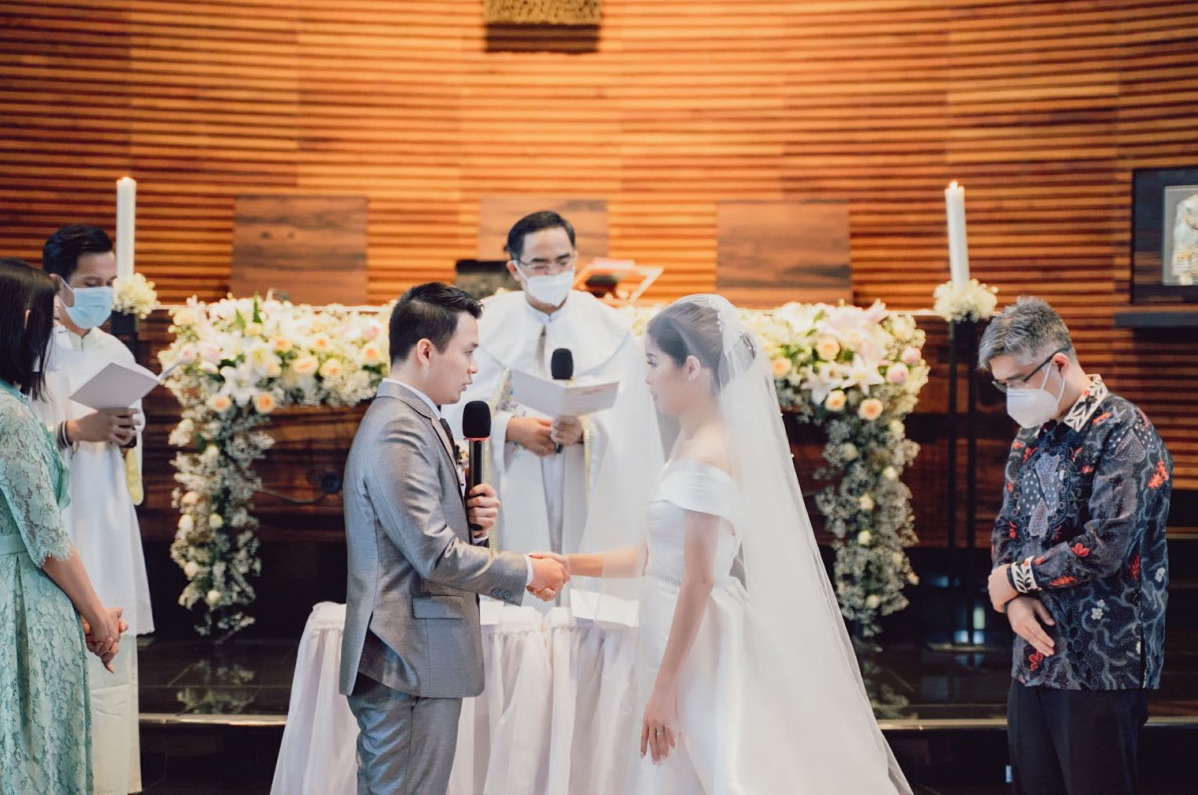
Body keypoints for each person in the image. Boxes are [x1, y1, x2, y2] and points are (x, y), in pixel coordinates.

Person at [538, 295, 910, 794]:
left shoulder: (707, 454)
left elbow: (698, 578)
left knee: (699, 760)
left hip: (695, 641)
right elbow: (652, 558)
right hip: (673, 625)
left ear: (691, 368)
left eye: (653, 363)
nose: (646, 378)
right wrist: (568, 563)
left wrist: (665, 685)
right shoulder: (691, 443)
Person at [339, 282, 570, 794]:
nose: (473, 368)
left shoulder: (416, 418)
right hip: (407, 658)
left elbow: (418, 536)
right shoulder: (399, 427)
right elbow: (434, 554)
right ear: (426, 351)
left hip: (415, 658)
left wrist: (471, 523)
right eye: (467, 352)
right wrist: (527, 571)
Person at [0, 257, 125, 795]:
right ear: (24, 323)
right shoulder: (8, 414)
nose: (55, 337)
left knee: (1, 749)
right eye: (50, 323)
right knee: (33, 751)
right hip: (23, 601)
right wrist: (98, 618)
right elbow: (47, 541)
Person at [982, 296, 1172, 795]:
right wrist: (1015, 601)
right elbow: (1007, 527)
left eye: (1018, 381)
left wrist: (1013, 579)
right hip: (1034, 657)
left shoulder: (1124, 431)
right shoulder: (1031, 435)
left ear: (1059, 364)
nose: (1012, 395)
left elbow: (1106, 543)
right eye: (1003, 385)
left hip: (1101, 661)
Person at [449, 210, 662, 568]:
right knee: (518, 566)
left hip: (580, 480)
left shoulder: (609, 328)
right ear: (515, 268)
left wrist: (585, 431)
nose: (553, 273)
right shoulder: (482, 324)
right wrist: (509, 428)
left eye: (563, 262)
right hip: (511, 483)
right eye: (540, 264)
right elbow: (453, 406)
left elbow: (635, 419)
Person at [30, 224, 153, 795]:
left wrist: (126, 432)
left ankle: (109, 780)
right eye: (89, 283)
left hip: (106, 511)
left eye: (109, 282)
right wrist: (75, 430)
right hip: (59, 517)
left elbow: (131, 434)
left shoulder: (114, 350)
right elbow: (12, 443)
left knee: (113, 668)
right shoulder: (30, 348)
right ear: (57, 283)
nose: (102, 293)